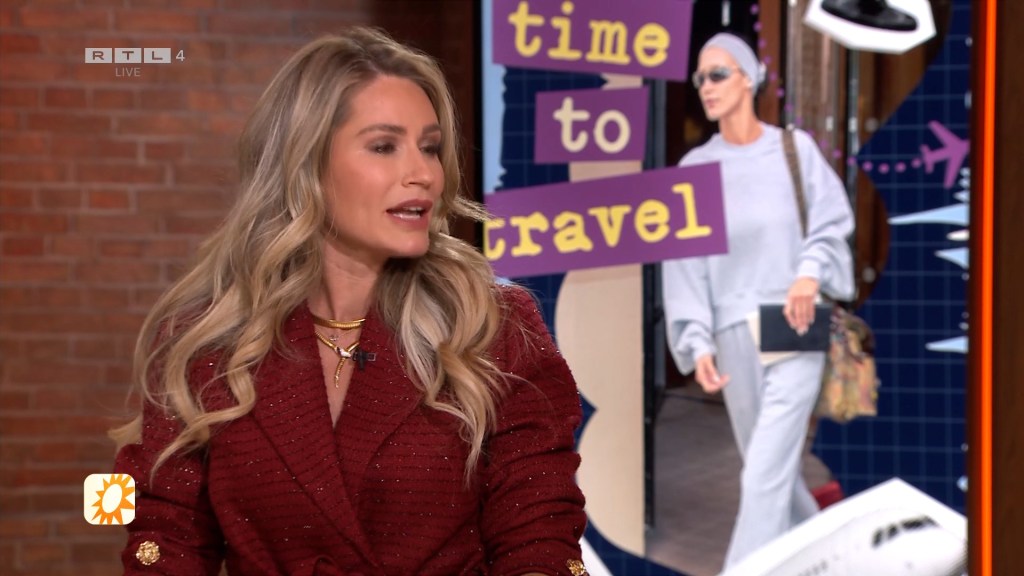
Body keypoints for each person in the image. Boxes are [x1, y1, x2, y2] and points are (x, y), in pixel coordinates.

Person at [110, 26, 589, 576]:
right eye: (384, 146)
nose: (423, 174)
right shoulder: (204, 339)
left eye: (430, 147)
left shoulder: (494, 326)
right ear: (306, 165)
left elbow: (540, 534)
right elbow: (160, 531)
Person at [660, 33, 855, 569]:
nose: (706, 86)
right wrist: (695, 341)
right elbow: (684, 263)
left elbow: (831, 222)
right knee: (775, 474)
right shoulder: (694, 168)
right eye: (700, 77)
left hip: (793, 318)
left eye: (718, 73)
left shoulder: (794, 149)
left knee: (764, 473)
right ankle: (838, 561)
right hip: (730, 329)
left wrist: (809, 275)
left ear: (749, 78)